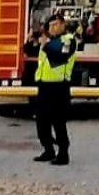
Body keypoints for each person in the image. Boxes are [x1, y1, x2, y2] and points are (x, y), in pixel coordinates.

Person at [27, 14, 77, 165]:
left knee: (58, 121)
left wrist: (46, 44)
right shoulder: (47, 41)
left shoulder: (68, 40)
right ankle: (48, 150)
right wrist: (31, 40)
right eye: (50, 25)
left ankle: (63, 154)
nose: (52, 28)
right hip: (44, 86)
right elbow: (29, 50)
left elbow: (61, 56)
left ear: (63, 25)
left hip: (59, 86)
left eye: (56, 24)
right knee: (42, 120)